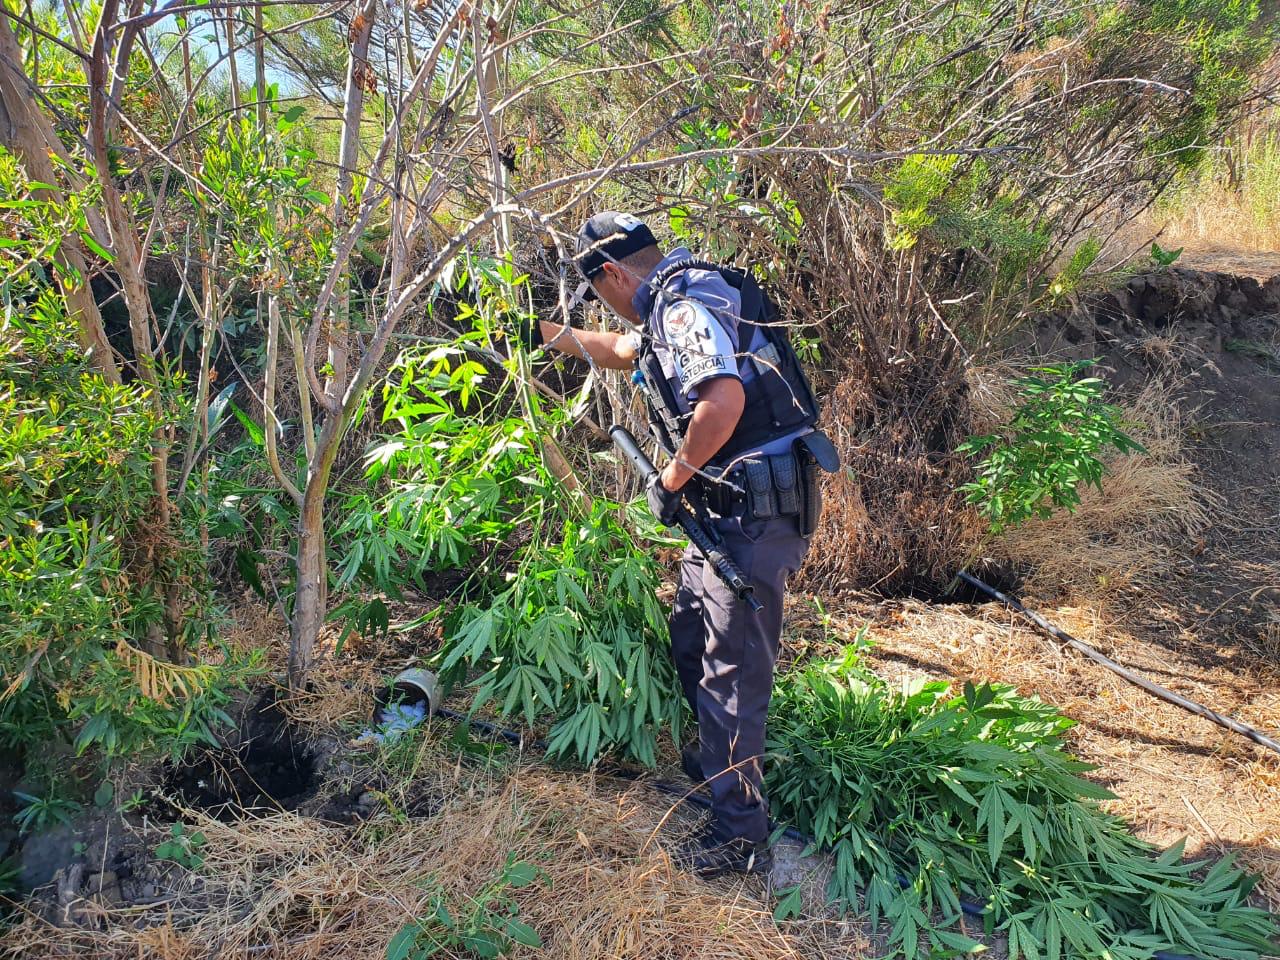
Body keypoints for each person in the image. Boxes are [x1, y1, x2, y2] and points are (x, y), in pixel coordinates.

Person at [516, 211, 836, 877]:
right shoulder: (677, 298)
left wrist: (671, 476)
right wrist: (532, 334)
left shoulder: (684, 305)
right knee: (691, 637)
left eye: (596, 292)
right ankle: (717, 763)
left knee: (731, 675)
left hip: (752, 516)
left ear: (610, 273)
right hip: (726, 514)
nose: (602, 307)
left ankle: (740, 834)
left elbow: (721, 404)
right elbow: (617, 350)